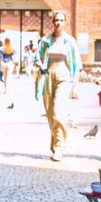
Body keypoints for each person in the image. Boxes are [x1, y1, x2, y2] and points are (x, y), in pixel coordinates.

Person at [35, 10, 81, 161]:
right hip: (48, 77)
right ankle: (55, 145)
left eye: (61, 20)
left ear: (65, 22)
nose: (58, 23)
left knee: (58, 111)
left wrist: (74, 86)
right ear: (53, 22)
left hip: (64, 77)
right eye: (56, 20)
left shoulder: (70, 41)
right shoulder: (46, 40)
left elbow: (77, 64)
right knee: (50, 114)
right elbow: (38, 58)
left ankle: (60, 147)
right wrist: (40, 65)